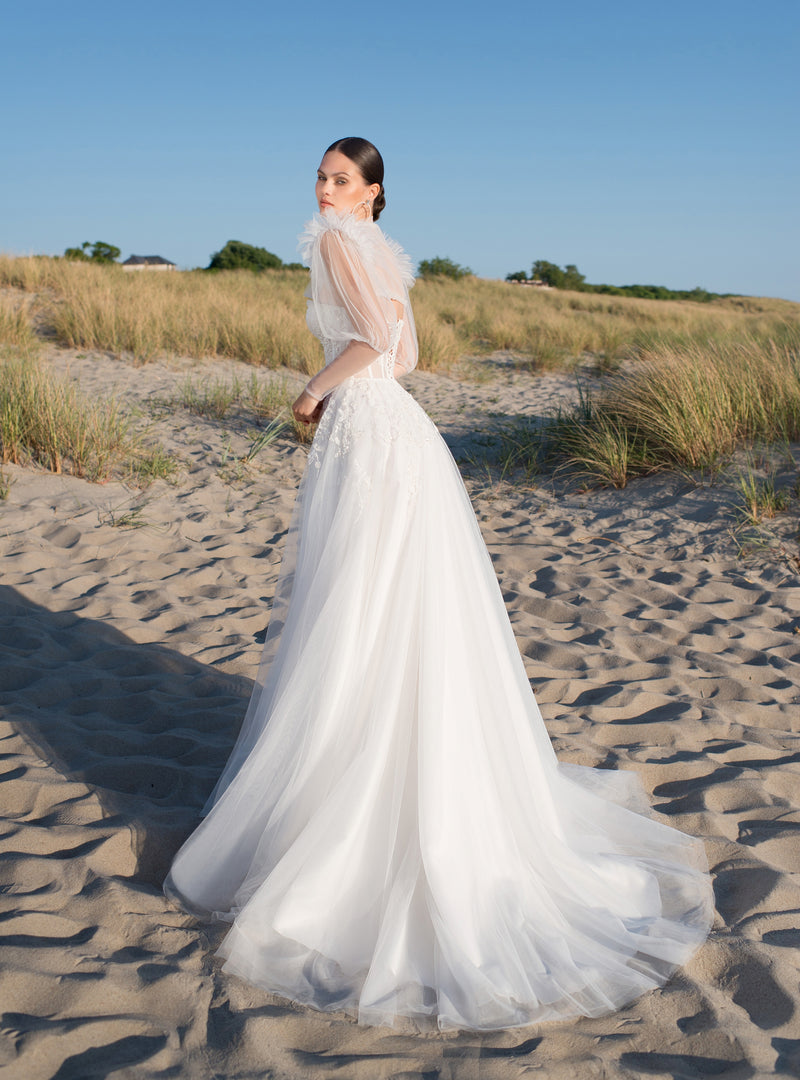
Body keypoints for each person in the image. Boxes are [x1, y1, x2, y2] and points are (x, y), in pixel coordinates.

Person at [163, 137, 715, 1033]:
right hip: (403, 432)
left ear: (372, 193)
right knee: (391, 604)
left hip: (368, 433)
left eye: (341, 179)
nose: (325, 188)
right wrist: (357, 380)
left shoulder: (340, 241)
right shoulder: (382, 250)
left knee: (360, 605)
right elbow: (408, 355)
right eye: (321, 176)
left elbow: (378, 342)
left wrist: (313, 391)